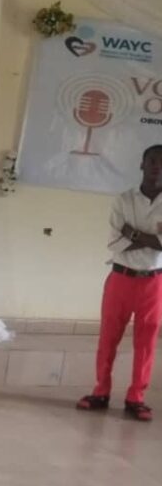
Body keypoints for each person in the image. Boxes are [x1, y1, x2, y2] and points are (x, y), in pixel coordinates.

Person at [77, 144, 162, 422]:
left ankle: (136, 398)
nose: (157, 166)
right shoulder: (123, 200)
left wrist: (133, 234)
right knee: (108, 338)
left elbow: (135, 239)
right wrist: (153, 240)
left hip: (153, 282)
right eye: (152, 160)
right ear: (142, 164)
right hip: (120, 279)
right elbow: (115, 242)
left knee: (146, 342)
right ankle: (100, 391)